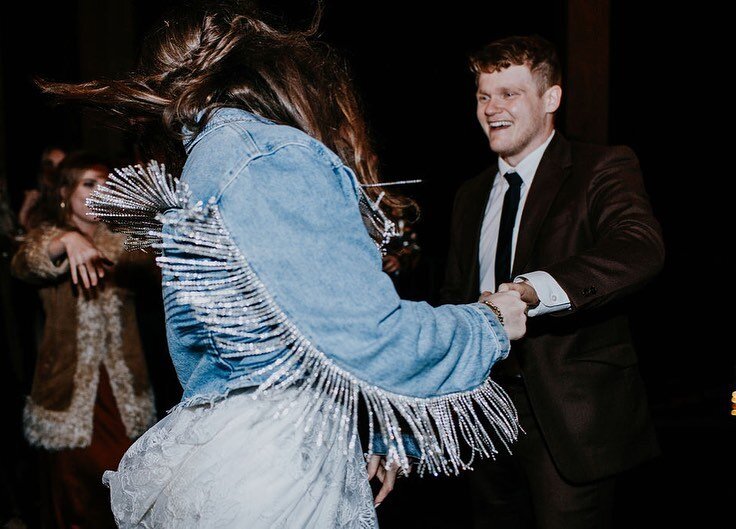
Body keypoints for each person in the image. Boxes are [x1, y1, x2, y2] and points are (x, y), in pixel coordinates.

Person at [39, 3, 528, 527]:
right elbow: (369, 337)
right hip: (280, 473)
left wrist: (363, 431)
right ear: (271, 69)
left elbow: (261, 348)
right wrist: (489, 322)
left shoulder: (208, 157)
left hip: (233, 456)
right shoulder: (265, 155)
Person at [440, 35, 665, 528]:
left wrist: (529, 290)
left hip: (569, 420)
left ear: (551, 99)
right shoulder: (469, 194)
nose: (492, 108)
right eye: (483, 96)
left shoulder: (602, 167)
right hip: (481, 413)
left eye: (509, 94)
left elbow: (639, 247)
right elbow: (453, 295)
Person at [11, 151, 156, 529]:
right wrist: (67, 241)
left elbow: (155, 263)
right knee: (72, 499)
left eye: (105, 184)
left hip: (122, 392)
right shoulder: (46, 235)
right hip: (66, 391)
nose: (99, 192)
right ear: (65, 191)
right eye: (89, 183)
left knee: (123, 491)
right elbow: (25, 262)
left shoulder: (122, 239)